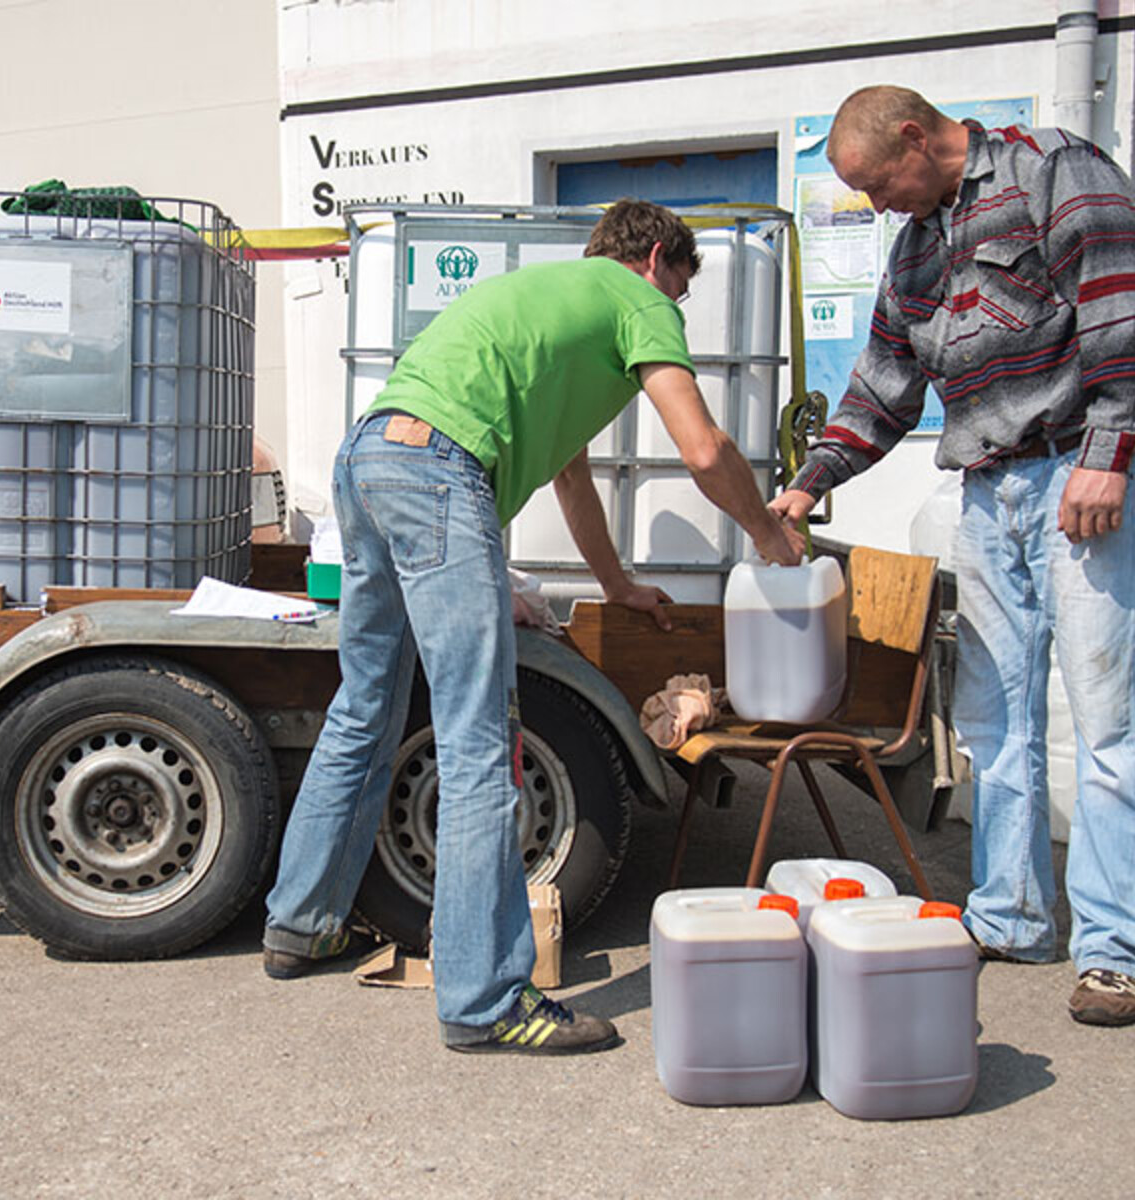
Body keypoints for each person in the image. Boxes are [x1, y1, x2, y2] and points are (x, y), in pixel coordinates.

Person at [263, 199, 804, 1055]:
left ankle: (302, 922)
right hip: (438, 472)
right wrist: (772, 536)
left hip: (367, 459)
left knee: (365, 706)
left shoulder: (551, 303)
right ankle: (485, 1001)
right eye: (680, 291)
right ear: (658, 257)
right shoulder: (637, 302)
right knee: (479, 741)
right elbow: (704, 449)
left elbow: (571, 480)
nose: (676, 314)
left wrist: (618, 584)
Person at [771, 86, 1135, 1026]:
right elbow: (883, 383)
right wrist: (811, 479)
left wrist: (1108, 455)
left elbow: (1126, 303)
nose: (877, 207)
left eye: (878, 184)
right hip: (988, 490)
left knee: (1105, 722)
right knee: (995, 721)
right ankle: (1011, 914)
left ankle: (1112, 951)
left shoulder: (1050, 170)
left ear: (916, 137)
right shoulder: (914, 246)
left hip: (1078, 473)